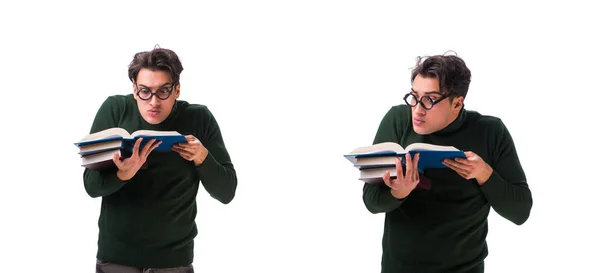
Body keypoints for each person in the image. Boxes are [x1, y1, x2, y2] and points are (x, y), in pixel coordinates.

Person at [362, 52, 533, 273]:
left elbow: (520, 212)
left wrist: (485, 174)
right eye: (414, 96)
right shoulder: (397, 121)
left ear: (457, 103)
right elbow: (370, 201)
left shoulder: (491, 132)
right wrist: (398, 193)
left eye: (429, 100)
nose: (417, 109)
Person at [83, 47, 237, 273]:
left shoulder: (199, 118)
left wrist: (202, 157)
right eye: (145, 91)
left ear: (177, 90)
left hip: (173, 261)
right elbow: (91, 186)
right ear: (134, 90)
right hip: (116, 257)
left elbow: (226, 192)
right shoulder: (115, 109)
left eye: (163, 91)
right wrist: (123, 175)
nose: (153, 102)